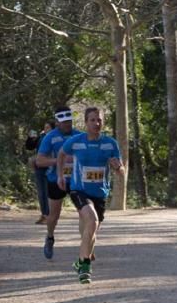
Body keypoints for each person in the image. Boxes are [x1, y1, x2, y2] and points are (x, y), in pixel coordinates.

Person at [58, 107, 123, 284]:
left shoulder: (110, 144)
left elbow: (121, 169)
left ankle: (80, 260)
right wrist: (60, 176)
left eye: (99, 120)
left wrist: (118, 167)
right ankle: (85, 266)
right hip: (78, 189)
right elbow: (62, 154)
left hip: (100, 192)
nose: (96, 123)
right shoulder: (75, 141)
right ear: (86, 122)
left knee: (92, 229)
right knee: (92, 220)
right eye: (92, 120)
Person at [38, 107, 83, 259]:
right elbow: (40, 161)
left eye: (69, 121)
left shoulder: (80, 136)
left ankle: (87, 243)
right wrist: (59, 161)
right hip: (55, 180)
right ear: (57, 122)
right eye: (64, 122)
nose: (67, 124)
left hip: (76, 181)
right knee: (54, 216)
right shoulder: (50, 137)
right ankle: (50, 237)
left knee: (84, 213)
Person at [26, 119, 56, 224]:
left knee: (48, 192)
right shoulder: (42, 137)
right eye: (45, 127)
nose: (45, 129)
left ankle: (49, 215)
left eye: (48, 127)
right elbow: (30, 147)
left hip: (50, 167)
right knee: (41, 193)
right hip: (39, 167)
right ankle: (44, 215)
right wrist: (30, 138)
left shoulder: (55, 138)